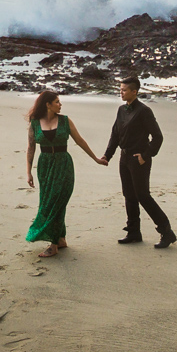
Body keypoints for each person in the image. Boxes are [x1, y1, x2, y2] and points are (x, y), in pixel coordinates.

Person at [24, 90, 106, 258]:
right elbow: (31, 147)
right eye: (57, 102)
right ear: (48, 104)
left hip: (63, 164)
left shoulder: (65, 121)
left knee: (58, 201)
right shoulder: (35, 123)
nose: (60, 105)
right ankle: (60, 239)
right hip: (45, 166)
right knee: (48, 202)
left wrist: (96, 159)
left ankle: (53, 245)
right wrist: (28, 172)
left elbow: (80, 141)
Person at [105, 76, 176, 247]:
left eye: (124, 90)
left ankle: (167, 232)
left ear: (134, 92)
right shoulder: (122, 110)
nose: (120, 92)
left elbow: (158, 137)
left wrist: (146, 155)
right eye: (120, 89)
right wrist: (107, 156)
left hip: (139, 160)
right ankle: (134, 232)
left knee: (143, 196)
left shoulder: (144, 111)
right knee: (129, 196)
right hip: (124, 158)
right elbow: (115, 134)